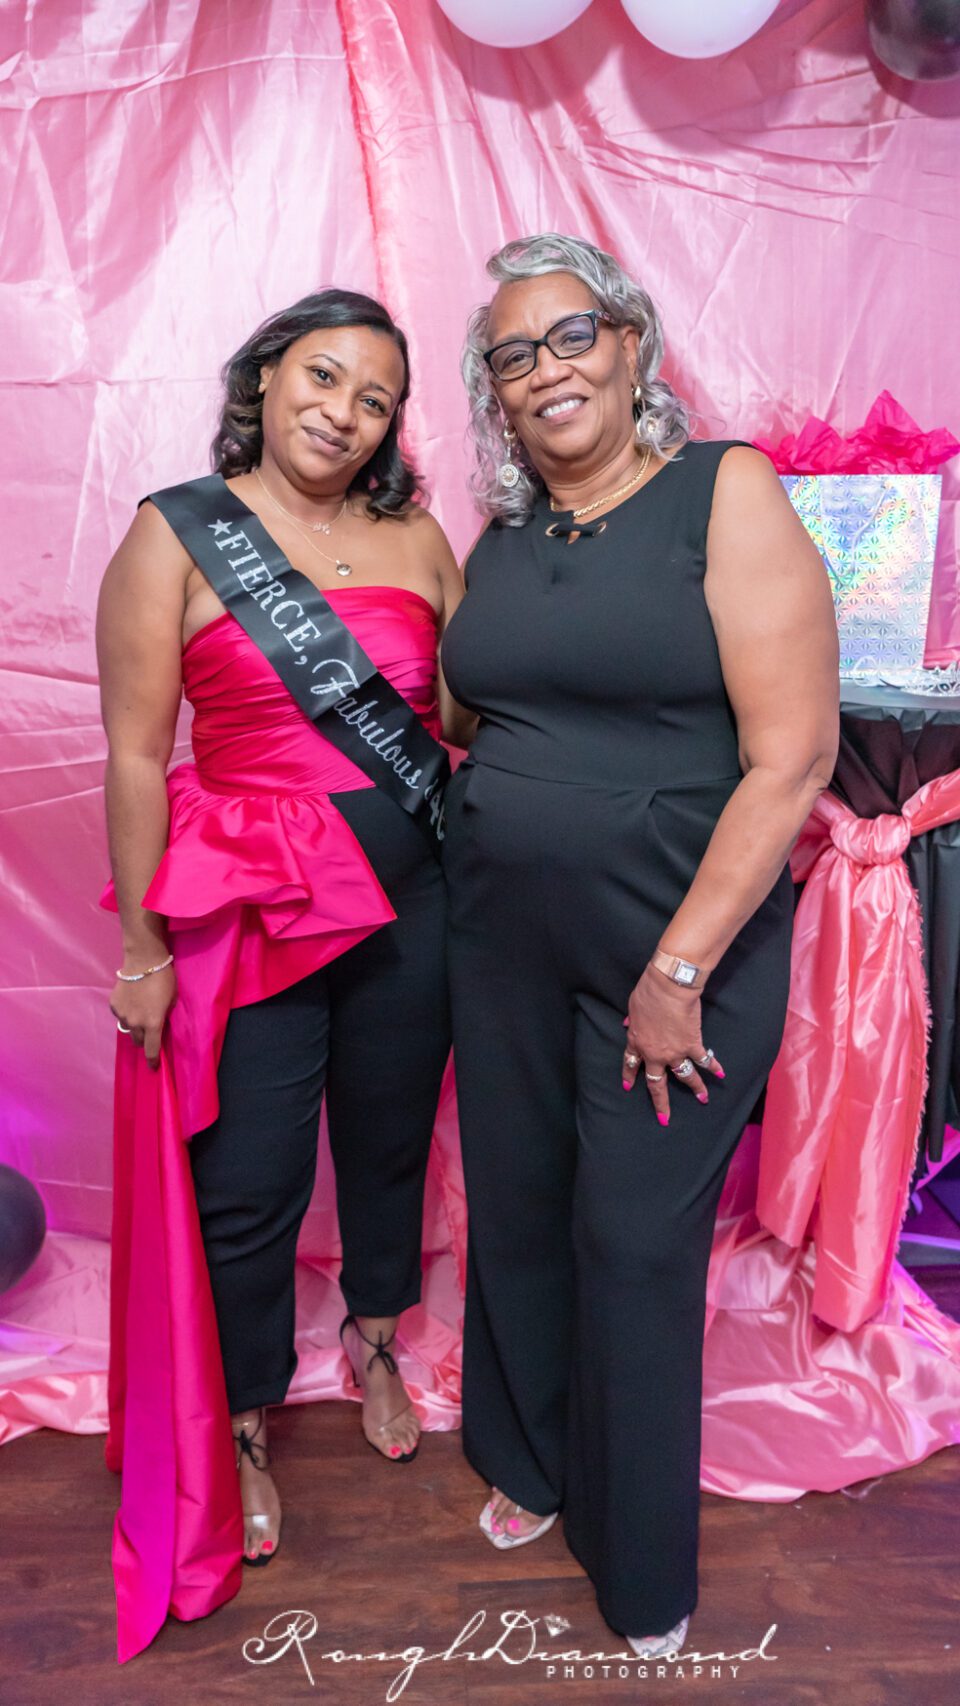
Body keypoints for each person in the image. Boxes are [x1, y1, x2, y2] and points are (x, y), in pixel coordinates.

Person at [441, 233, 839, 1659]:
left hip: (675, 944)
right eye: (511, 354)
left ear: (629, 345)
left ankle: (641, 1559)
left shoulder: (721, 492)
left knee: (629, 1235)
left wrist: (675, 974)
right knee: (519, 1201)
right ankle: (533, 1456)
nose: (544, 369)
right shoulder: (501, 538)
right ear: (493, 394)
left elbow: (793, 760)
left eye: (570, 336)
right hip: (500, 936)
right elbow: (473, 708)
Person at [97, 289, 466, 1650]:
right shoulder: (176, 530)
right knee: (248, 1178)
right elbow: (137, 753)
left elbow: (465, 714)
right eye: (323, 377)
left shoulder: (418, 537)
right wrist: (141, 942)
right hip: (254, 907)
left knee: (388, 1138)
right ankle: (244, 1413)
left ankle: (374, 1335)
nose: (344, 413)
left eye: (376, 399)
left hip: (414, 899)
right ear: (264, 376)